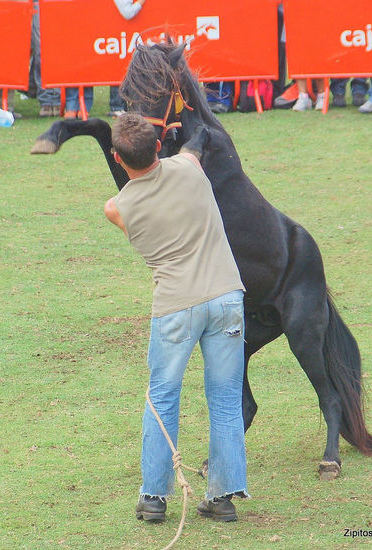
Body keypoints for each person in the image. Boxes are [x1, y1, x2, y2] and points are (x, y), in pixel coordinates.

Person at [104, 114, 249, 522]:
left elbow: (138, 192)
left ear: (117, 158)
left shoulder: (117, 208)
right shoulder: (189, 167)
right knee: (224, 400)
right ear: (157, 146)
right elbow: (194, 146)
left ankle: (154, 497)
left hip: (174, 307)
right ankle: (222, 499)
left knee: (163, 397)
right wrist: (182, 129)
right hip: (225, 299)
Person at [31, 0, 60, 117]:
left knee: (58, 49)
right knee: (41, 50)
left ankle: (56, 98)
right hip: (39, 3)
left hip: (61, 4)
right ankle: (46, 99)